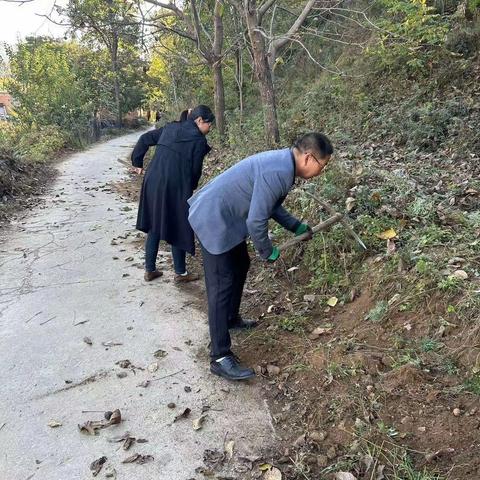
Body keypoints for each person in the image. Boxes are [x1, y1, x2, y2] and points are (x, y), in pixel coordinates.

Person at [188, 132, 333, 381]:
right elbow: (257, 220)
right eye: (323, 165)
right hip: (214, 217)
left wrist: (296, 226)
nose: (322, 171)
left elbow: (271, 205)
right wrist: (267, 252)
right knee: (221, 284)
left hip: (227, 217)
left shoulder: (282, 165)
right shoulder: (278, 171)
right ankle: (220, 356)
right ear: (309, 158)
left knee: (241, 264)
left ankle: (231, 318)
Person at [131, 105, 214, 282]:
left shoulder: (170, 127)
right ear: (199, 121)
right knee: (178, 225)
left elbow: (145, 139)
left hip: (153, 180)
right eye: (209, 124)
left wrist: (137, 161)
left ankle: (150, 270)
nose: (210, 128)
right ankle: (180, 273)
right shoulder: (198, 140)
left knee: (154, 222)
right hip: (176, 185)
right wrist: (189, 188)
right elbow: (195, 171)